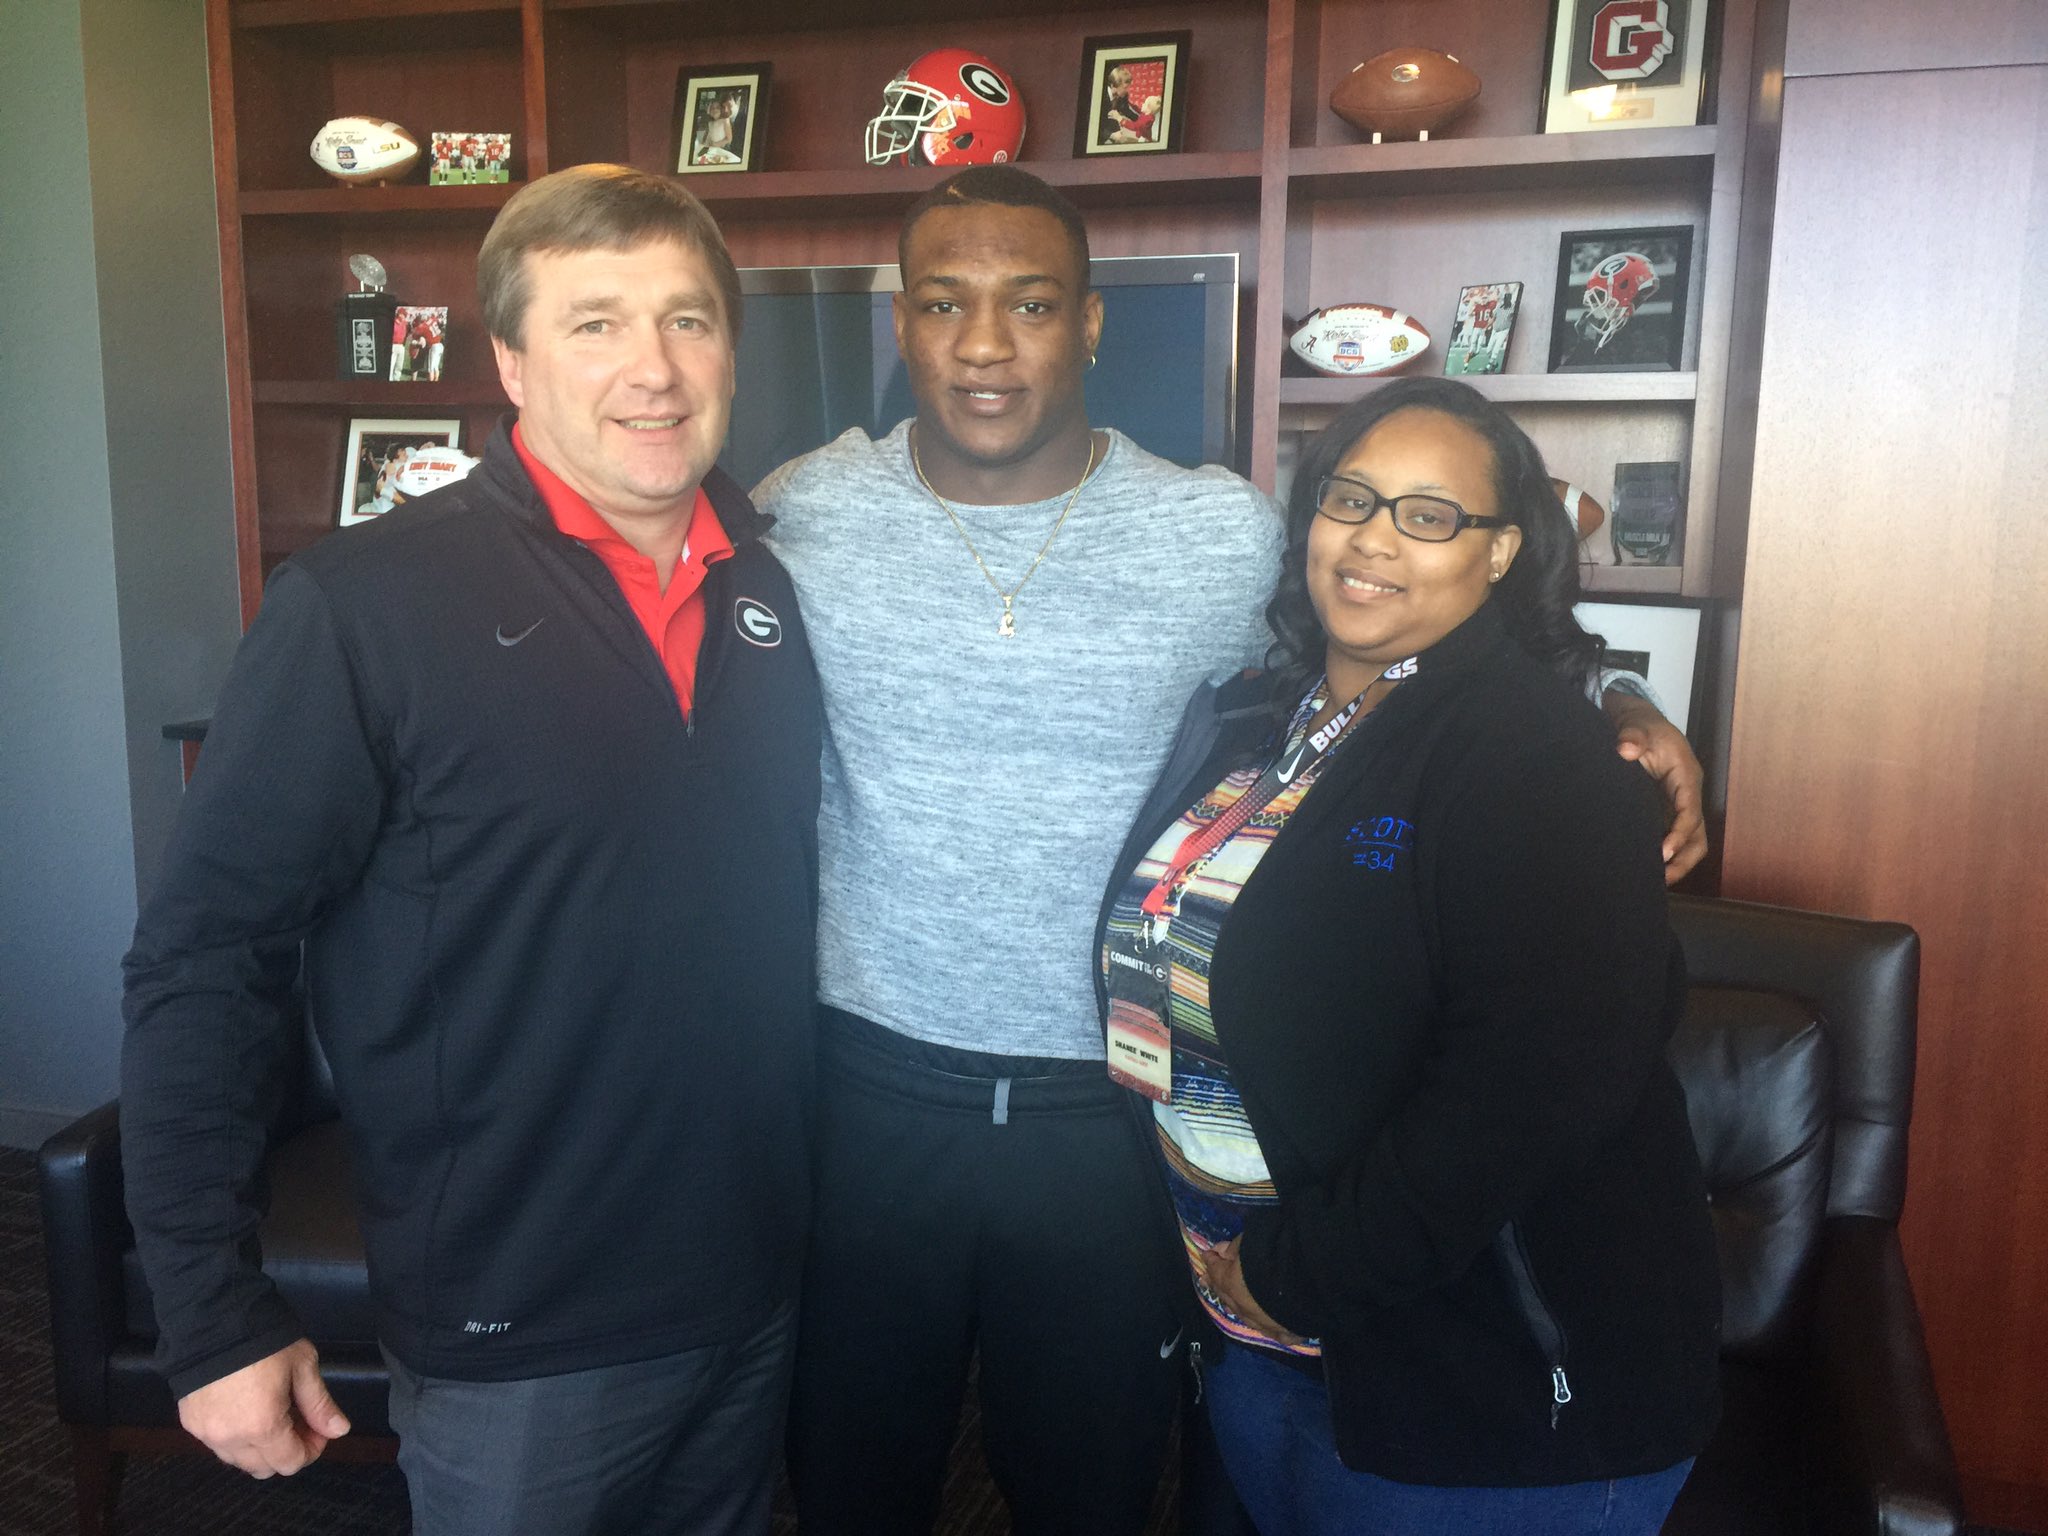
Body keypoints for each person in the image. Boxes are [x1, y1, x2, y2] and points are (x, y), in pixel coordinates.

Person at [754, 165, 1706, 1535]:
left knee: (1088, 1483)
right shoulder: (805, 507)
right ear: (902, 323)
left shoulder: (1218, 530)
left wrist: (1615, 703)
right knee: (849, 1476)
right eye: (945, 305)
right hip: (867, 1091)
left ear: (1087, 327)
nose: (983, 344)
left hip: (1109, 1121)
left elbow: (1424, 627)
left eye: (1029, 305)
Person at [120, 164, 822, 1536]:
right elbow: (208, 962)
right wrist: (209, 1312)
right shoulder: (363, 606)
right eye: (595, 323)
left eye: (688, 319)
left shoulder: (772, 589)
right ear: (509, 358)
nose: (654, 369)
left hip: (750, 1292)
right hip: (522, 1332)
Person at [1097, 377, 1721, 1536]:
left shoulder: (1543, 764)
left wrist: (1290, 1274)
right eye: (1351, 499)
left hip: (1486, 1403)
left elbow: (1527, 1095)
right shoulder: (1261, 725)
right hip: (1262, 1353)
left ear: (1498, 552)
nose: (1375, 538)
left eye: (1430, 516)